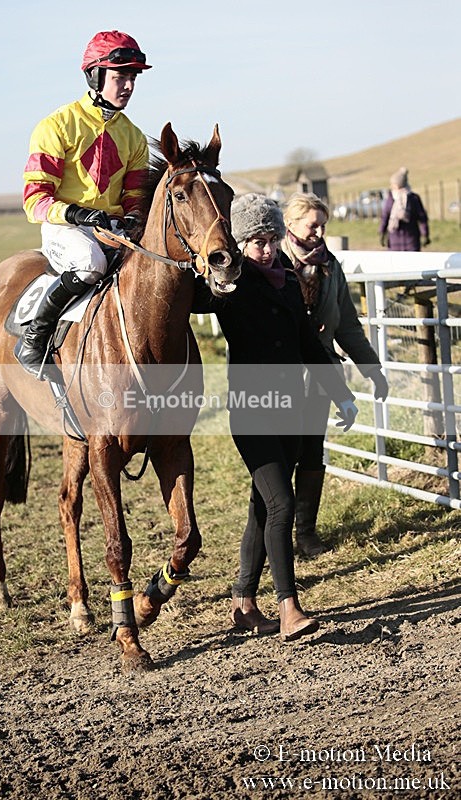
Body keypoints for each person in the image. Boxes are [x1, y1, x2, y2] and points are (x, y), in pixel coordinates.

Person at [192, 193, 359, 642]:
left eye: (269, 239)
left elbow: (309, 345)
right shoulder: (228, 286)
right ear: (241, 243)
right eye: (255, 241)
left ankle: (244, 603)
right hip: (252, 412)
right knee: (281, 502)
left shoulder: (287, 280)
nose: (265, 249)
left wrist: (341, 394)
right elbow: (185, 295)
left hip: (291, 410)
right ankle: (289, 606)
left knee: (262, 508)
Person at [15, 29, 152, 377]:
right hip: (66, 229)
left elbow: (134, 200)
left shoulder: (134, 137)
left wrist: (134, 219)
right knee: (90, 263)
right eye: (121, 77)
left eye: (133, 78)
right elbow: (35, 201)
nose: (129, 86)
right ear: (95, 75)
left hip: (112, 231)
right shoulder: (56, 126)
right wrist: (76, 212)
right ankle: (34, 339)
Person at [281, 192, 389, 557]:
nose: (319, 231)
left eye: (323, 224)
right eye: (313, 224)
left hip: (320, 377)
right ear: (291, 224)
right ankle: (275, 535)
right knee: (279, 456)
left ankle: (306, 533)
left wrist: (372, 370)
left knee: (312, 452)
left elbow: (348, 325)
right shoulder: (273, 265)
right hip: (279, 377)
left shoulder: (331, 267)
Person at [379, 167, 430, 251]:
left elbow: (422, 218)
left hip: (410, 242)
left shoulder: (413, 199)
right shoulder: (391, 198)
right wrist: (382, 232)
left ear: (398, 185)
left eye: (393, 184)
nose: (391, 186)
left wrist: (425, 234)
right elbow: (385, 216)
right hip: (395, 242)